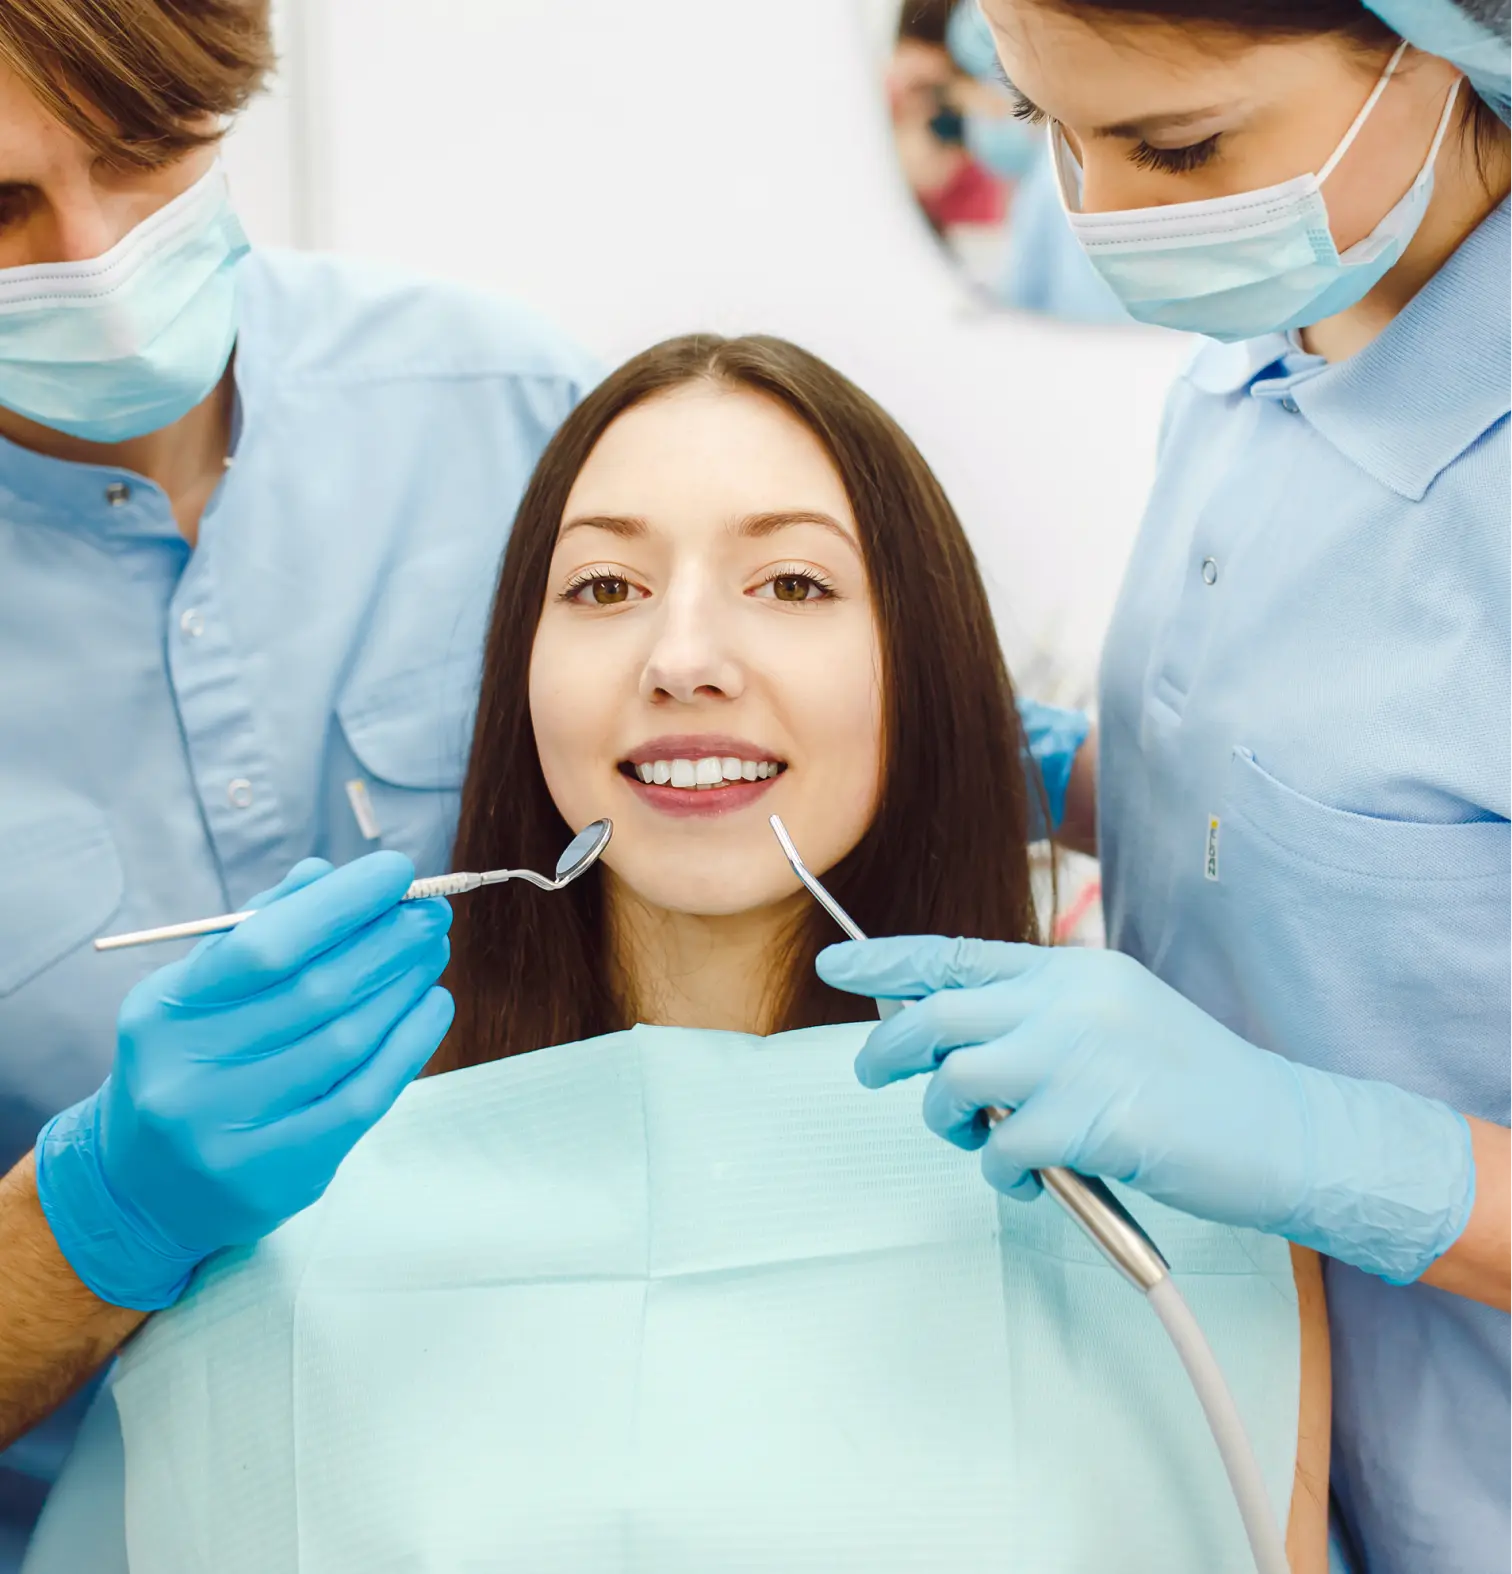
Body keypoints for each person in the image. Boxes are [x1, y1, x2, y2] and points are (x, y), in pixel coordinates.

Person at [26, 334, 1331, 1574]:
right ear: (520, 677)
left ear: (921, 673)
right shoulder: (286, 1229)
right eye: (605, 586)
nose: (685, 658)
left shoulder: (1168, 1225)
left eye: (794, 584)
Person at [817, 4, 1512, 1570]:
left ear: (1452, 47)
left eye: (1181, 147)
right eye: (1046, 125)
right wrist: (1042, 764)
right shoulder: (1259, 356)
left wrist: (1316, 1143)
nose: (1102, 214)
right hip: (1249, 1459)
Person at [0, 0, 594, 1558]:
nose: (100, 257)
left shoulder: (509, 409)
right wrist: (99, 1217)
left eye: (150, 155)